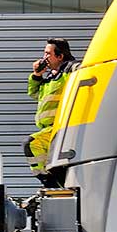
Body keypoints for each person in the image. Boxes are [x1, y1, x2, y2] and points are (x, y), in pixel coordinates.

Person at [24, 37, 75, 187]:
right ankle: (54, 183)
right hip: (47, 130)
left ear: (60, 56)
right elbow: (33, 93)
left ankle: (50, 183)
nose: (44, 58)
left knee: (31, 144)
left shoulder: (69, 70)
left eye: (48, 54)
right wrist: (37, 75)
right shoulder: (50, 78)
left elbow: (82, 70)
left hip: (60, 127)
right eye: (44, 53)